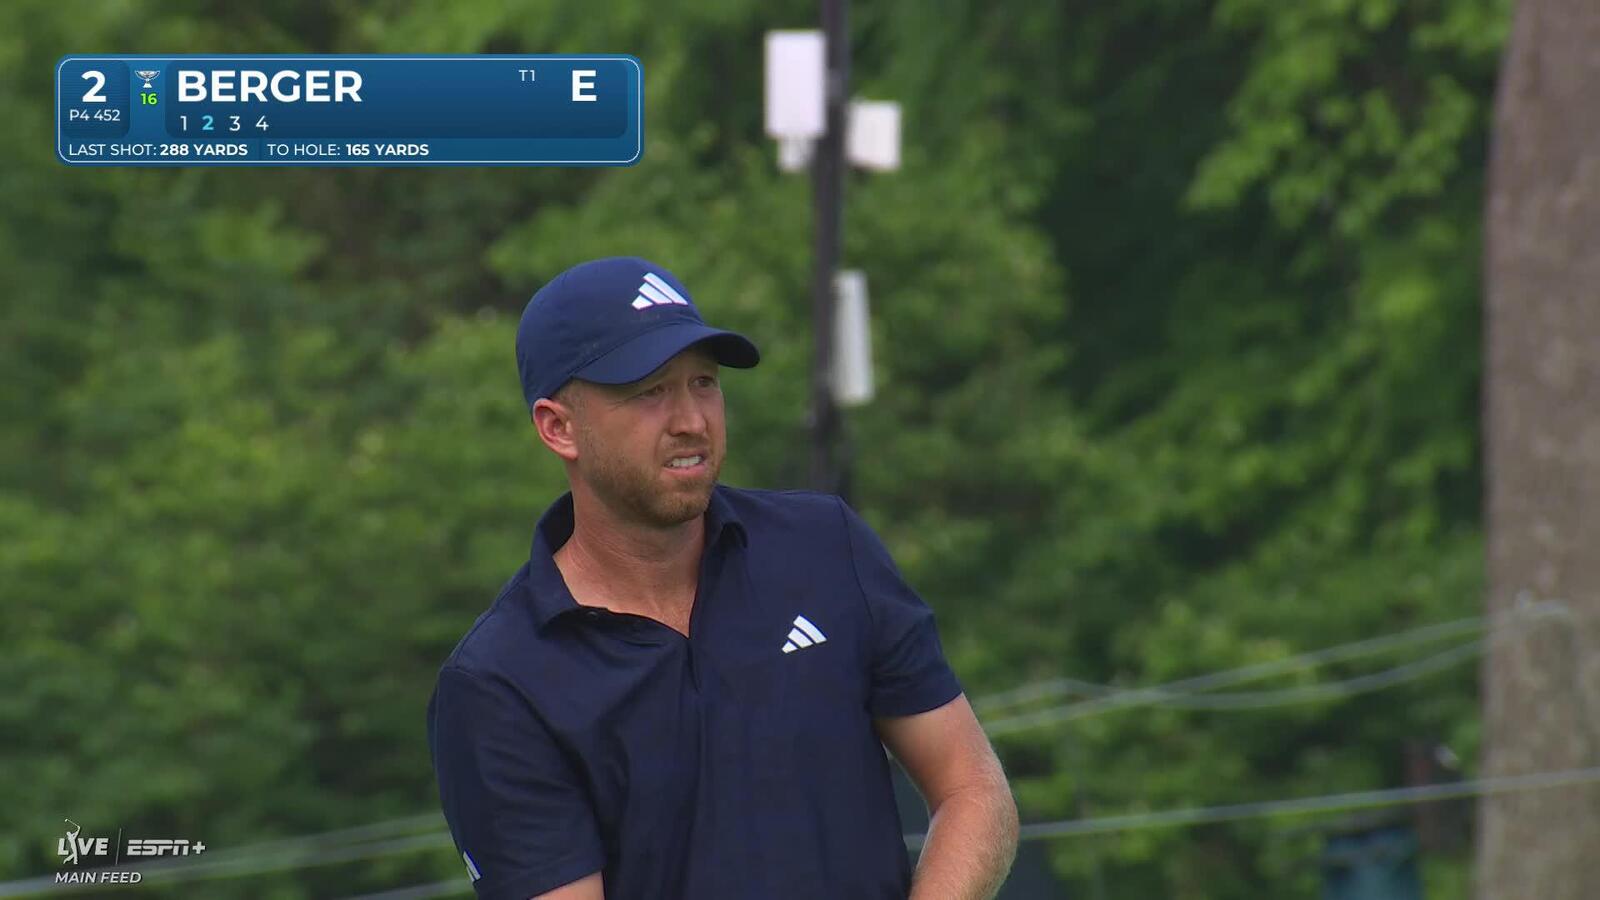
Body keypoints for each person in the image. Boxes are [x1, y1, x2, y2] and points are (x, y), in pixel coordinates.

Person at [428, 257, 1018, 899]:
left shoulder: (824, 546)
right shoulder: (498, 683)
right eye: (649, 391)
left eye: (703, 383)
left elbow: (972, 789)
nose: (690, 420)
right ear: (558, 427)